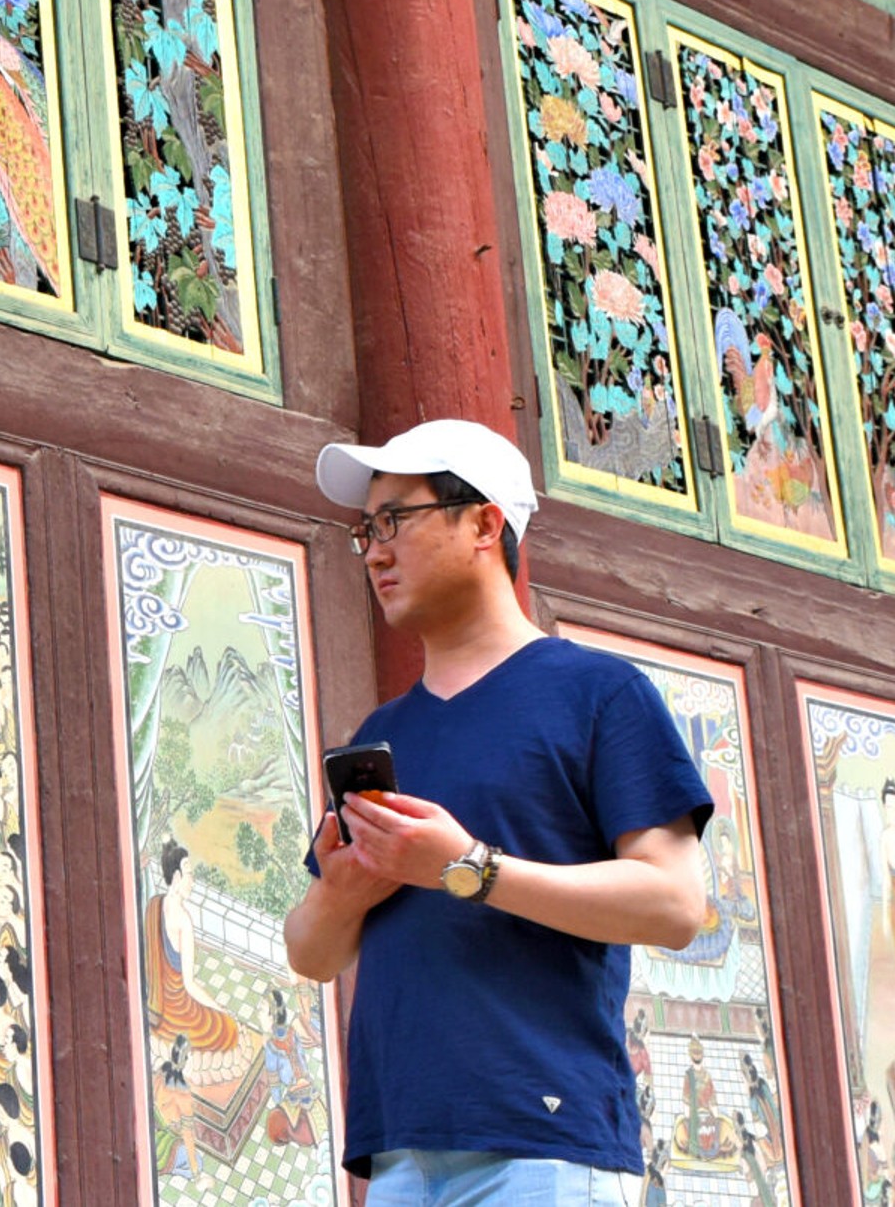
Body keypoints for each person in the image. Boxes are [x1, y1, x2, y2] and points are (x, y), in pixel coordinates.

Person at [287, 419, 715, 1206]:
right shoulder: (382, 736)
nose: (375, 551)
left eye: (396, 521)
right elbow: (312, 956)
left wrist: (467, 869)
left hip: (542, 1142)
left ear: (484, 522)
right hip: (399, 1151)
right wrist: (343, 889)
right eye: (365, 531)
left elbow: (678, 905)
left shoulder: (599, 695)